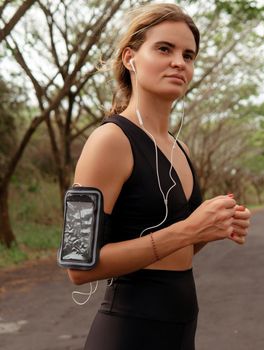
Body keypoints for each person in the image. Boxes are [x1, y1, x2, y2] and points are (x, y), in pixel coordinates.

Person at [66, 3, 251, 349]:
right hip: (128, 333)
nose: (179, 62)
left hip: (180, 332)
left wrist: (211, 229)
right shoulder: (108, 140)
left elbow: (176, 249)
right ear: (130, 58)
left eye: (189, 55)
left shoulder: (177, 149)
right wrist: (190, 228)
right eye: (164, 49)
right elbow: (78, 266)